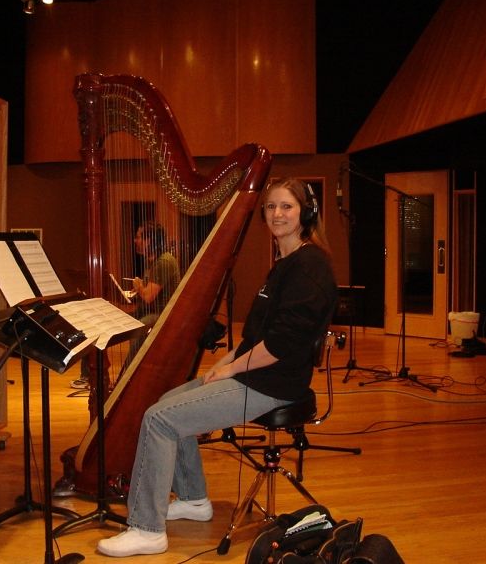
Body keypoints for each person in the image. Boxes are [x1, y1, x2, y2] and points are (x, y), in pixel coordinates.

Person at [96, 178, 336, 557]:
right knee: (166, 403)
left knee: (159, 419)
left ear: (306, 212)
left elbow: (279, 345)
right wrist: (222, 363)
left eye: (286, 206)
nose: (277, 214)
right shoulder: (283, 263)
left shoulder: (310, 266)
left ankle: (146, 529)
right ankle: (194, 500)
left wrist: (231, 370)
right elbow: (255, 335)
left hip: (273, 384)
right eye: (271, 206)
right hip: (256, 374)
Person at [71, 221, 181, 390]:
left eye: (138, 237)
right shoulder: (154, 261)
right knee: (98, 322)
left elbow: (149, 297)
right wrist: (136, 290)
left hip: (161, 314)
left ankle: (126, 381)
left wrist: (139, 286)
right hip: (147, 310)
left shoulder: (164, 262)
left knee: (139, 329)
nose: (135, 241)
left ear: (149, 240)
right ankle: (88, 376)